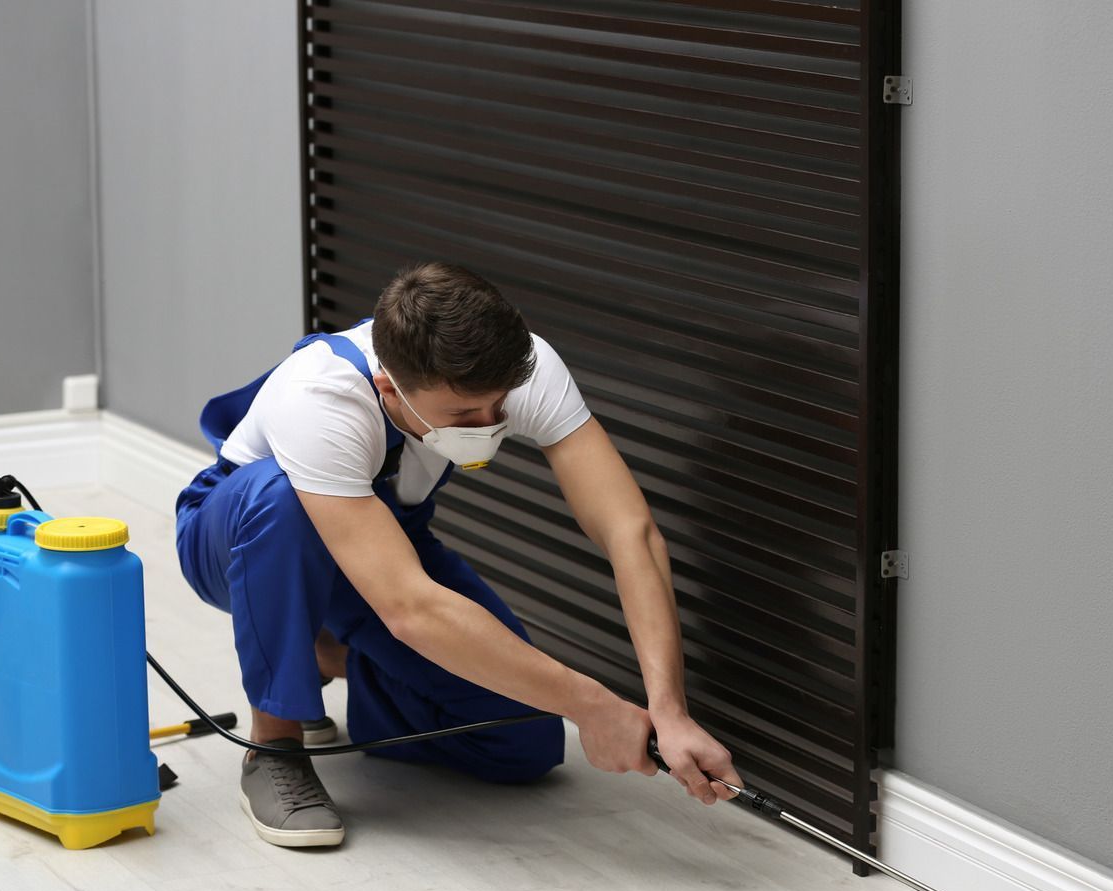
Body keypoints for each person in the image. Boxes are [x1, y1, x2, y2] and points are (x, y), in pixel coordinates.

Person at [175, 262, 741, 847]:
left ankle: (325, 656)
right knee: (283, 498)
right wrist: (593, 704)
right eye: (463, 416)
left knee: (523, 741)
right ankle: (275, 743)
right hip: (239, 541)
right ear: (390, 388)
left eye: (498, 406)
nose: (490, 425)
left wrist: (667, 707)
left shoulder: (523, 366)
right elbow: (411, 608)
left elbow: (630, 532)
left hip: (383, 544)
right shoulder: (320, 398)